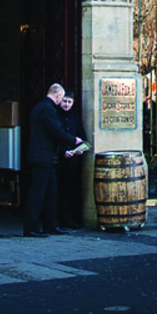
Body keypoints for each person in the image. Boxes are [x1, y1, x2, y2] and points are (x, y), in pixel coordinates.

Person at [24, 82, 82, 237]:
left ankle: (51, 225)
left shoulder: (41, 107)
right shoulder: (47, 109)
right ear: (58, 96)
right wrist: (73, 140)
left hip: (47, 158)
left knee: (51, 194)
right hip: (42, 157)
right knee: (38, 193)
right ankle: (31, 228)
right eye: (62, 98)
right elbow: (56, 131)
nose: (62, 101)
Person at [55, 93, 90, 227]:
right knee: (57, 190)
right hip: (58, 159)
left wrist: (80, 149)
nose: (66, 104)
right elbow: (53, 137)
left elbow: (82, 136)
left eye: (69, 102)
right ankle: (56, 219)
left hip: (72, 160)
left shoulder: (75, 116)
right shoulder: (55, 115)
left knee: (69, 190)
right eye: (64, 101)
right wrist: (63, 151)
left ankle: (68, 219)